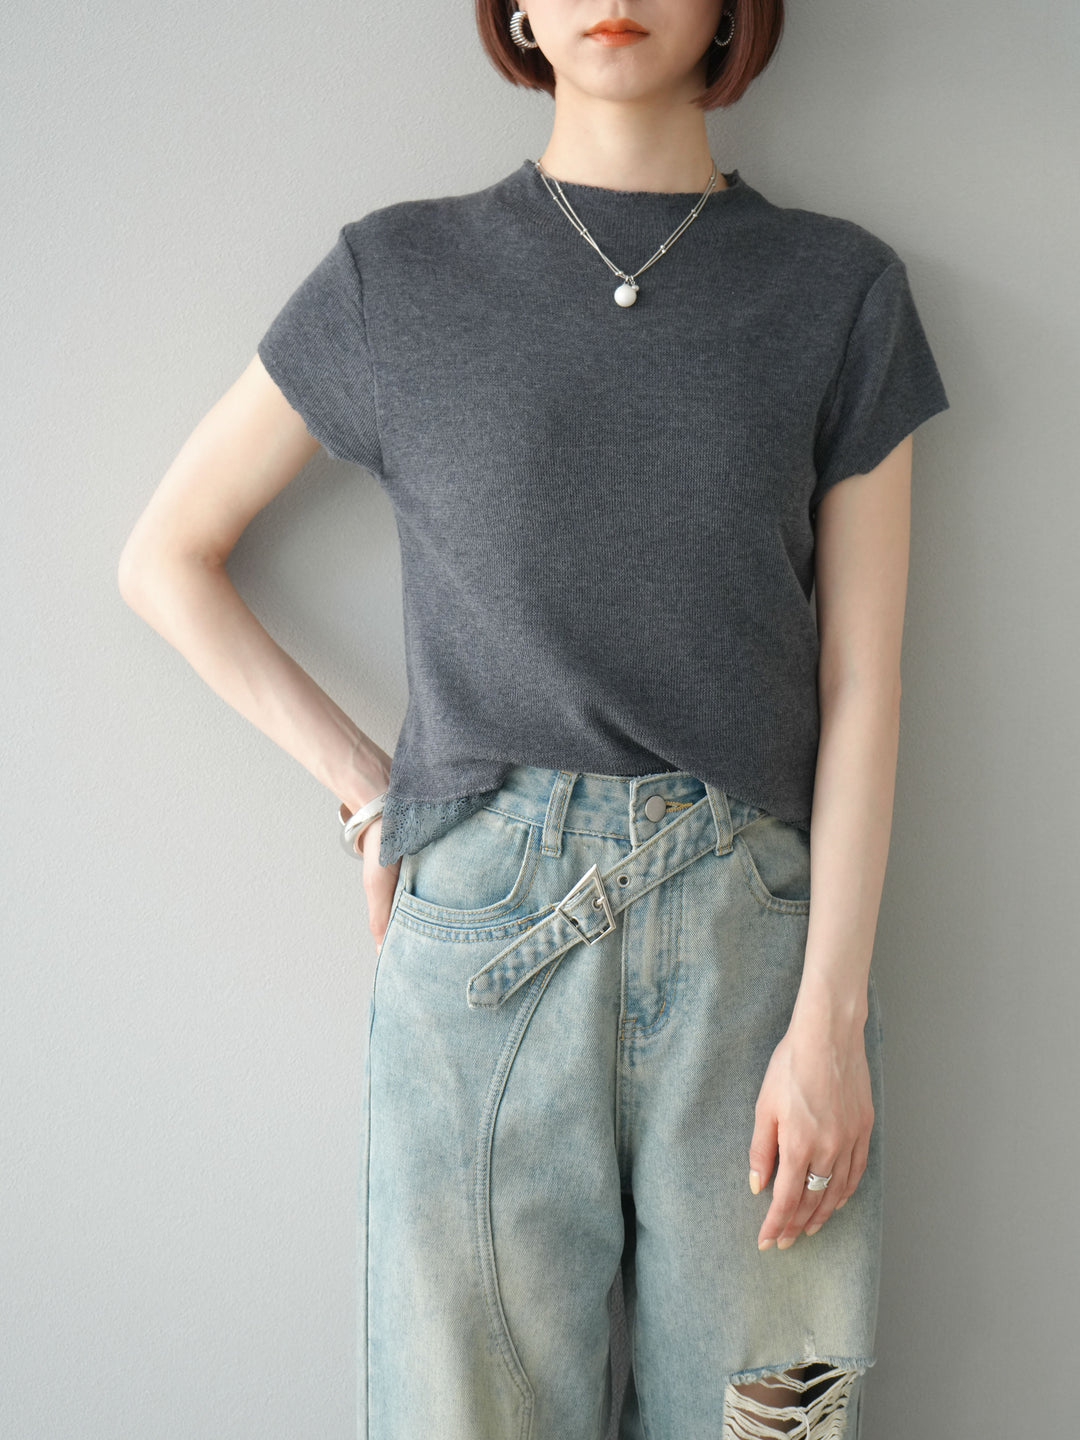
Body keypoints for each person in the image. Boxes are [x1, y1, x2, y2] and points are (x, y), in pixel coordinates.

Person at [118, 2, 950, 1436]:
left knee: (767, 1421)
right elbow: (166, 559)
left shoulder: (838, 290)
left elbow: (865, 681)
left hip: (756, 958)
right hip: (478, 939)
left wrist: (832, 1019)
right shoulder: (398, 276)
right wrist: (369, 789)